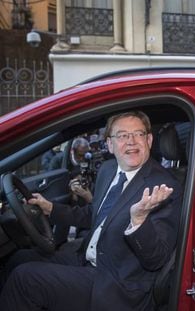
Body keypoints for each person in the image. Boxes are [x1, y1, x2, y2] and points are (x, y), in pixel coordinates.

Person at [0, 111, 182, 311]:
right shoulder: (108, 169)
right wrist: (50, 208)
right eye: (122, 135)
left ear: (148, 140)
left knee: (24, 279)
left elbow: (157, 259)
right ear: (110, 145)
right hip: (87, 257)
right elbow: (94, 214)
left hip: (117, 283)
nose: (131, 141)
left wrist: (138, 221)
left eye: (138, 134)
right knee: (19, 259)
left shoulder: (164, 187)